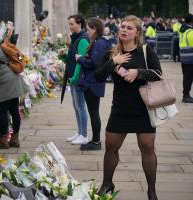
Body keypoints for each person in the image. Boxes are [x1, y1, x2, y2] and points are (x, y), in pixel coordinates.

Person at [95, 15, 162, 200]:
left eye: (129, 28)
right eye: (122, 26)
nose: (124, 30)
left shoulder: (146, 51)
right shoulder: (111, 52)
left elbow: (158, 74)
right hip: (121, 109)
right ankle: (107, 183)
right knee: (111, 146)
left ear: (137, 32)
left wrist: (138, 72)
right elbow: (98, 76)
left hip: (144, 108)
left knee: (147, 147)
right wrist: (113, 62)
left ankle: (151, 190)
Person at [75, 17, 112, 150]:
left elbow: (94, 63)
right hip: (93, 82)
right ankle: (95, 140)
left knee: (94, 113)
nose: (87, 31)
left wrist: (80, 59)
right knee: (93, 112)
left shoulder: (99, 43)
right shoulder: (99, 41)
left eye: (89, 29)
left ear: (95, 29)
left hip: (92, 83)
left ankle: (96, 142)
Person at [59, 14, 90, 145]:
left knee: (81, 107)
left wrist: (75, 78)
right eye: (69, 24)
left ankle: (84, 134)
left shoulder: (83, 40)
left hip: (78, 79)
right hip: (73, 78)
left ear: (80, 24)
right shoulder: (75, 39)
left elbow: (80, 62)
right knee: (76, 106)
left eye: (72, 24)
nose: (70, 26)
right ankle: (79, 132)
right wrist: (64, 56)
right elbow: (72, 59)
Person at [179, 13, 193, 103]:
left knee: (187, 77)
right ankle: (186, 95)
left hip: (184, 57)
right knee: (188, 78)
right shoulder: (190, 32)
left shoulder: (183, 30)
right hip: (190, 58)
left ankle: (186, 94)